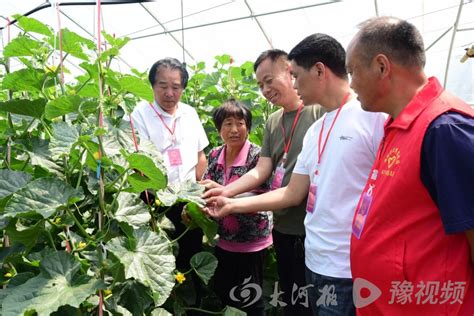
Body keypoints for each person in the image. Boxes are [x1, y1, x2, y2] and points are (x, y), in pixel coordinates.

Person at [206, 34, 386, 316]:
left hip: (349, 261)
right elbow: (288, 189)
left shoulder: (371, 117)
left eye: (294, 75)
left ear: (315, 71)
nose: (266, 89)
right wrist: (228, 199)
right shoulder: (310, 128)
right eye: (260, 84)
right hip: (312, 252)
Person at [346, 16, 474, 315]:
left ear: (381, 66)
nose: (351, 84)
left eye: (353, 71)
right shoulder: (398, 124)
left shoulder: (444, 129)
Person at [203, 49, 323, 315]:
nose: (265, 89)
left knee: (317, 301)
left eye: (269, 80)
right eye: (260, 85)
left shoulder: (318, 112)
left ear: (290, 71)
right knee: (294, 300)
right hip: (283, 226)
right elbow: (262, 170)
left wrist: (230, 202)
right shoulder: (273, 121)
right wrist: (226, 190)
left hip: (312, 228)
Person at [130, 58, 208, 278]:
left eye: (176, 87)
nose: (169, 93)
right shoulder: (140, 114)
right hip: (155, 199)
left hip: (188, 198)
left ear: (183, 88)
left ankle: (190, 300)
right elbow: (139, 163)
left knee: (190, 252)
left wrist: (197, 189)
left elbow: (201, 155)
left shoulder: (190, 113)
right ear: (153, 85)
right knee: (159, 257)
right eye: (163, 86)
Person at [201, 99, 272, 315]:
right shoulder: (214, 155)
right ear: (218, 128)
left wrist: (223, 191)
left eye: (240, 124)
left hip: (252, 243)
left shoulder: (257, 156)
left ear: (248, 127)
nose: (234, 130)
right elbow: (205, 189)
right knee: (225, 295)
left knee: (251, 300)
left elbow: (265, 193)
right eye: (227, 124)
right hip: (222, 241)